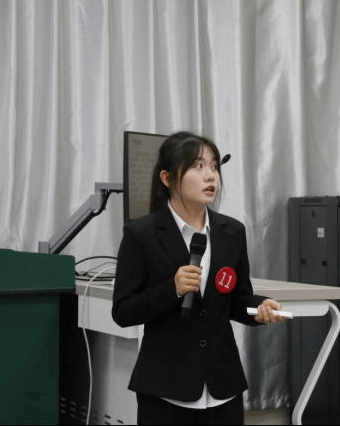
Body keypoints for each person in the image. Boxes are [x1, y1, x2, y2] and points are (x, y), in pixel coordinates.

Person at [112, 131, 286, 425]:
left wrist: (259, 308)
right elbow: (123, 311)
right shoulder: (141, 234)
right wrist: (172, 289)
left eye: (215, 166)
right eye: (198, 166)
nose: (211, 176)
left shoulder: (232, 232)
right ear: (167, 178)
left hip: (223, 387)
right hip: (166, 390)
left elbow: (237, 300)